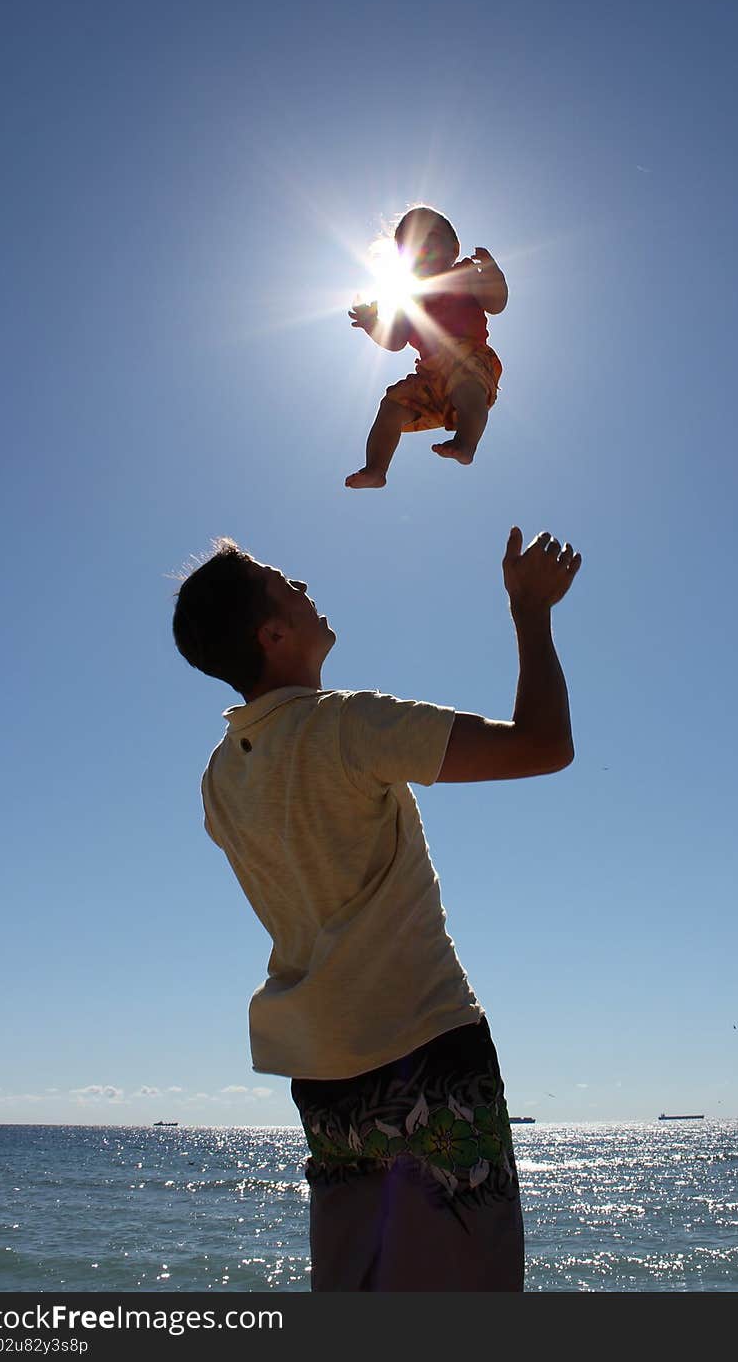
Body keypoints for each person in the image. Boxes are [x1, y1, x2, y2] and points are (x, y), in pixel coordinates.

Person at [172, 525, 581, 1290]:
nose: (301, 583)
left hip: (326, 1076)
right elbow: (542, 746)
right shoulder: (347, 726)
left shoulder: (220, 780)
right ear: (273, 631)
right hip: (425, 1049)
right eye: (283, 582)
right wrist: (531, 612)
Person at [345, 206, 507, 488]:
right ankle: (376, 468)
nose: (422, 249)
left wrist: (493, 275)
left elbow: (497, 304)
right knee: (391, 406)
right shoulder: (407, 298)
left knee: (466, 385)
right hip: (430, 376)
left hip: (468, 356)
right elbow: (395, 340)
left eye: (430, 237)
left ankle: (466, 443)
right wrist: (373, 324)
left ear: (454, 248)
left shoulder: (463, 274)